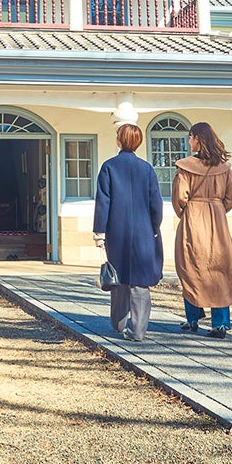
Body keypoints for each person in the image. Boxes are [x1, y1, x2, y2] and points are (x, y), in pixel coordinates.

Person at [172, 121, 232, 338]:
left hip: (193, 218)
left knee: (191, 266)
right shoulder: (224, 168)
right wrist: (217, 208)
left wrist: (189, 211)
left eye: (190, 137)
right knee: (220, 268)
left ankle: (192, 318)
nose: (189, 141)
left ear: (197, 139)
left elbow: (180, 198)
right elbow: (231, 197)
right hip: (218, 219)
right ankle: (220, 323)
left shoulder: (185, 167)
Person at [92, 122, 164, 342]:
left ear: (119, 140)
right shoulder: (147, 168)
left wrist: (99, 232)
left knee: (118, 276)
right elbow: (156, 203)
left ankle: (118, 323)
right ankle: (138, 330)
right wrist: (154, 227)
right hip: (143, 230)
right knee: (139, 281)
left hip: (117, 230)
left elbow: (103, 202)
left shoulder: (109, 167)